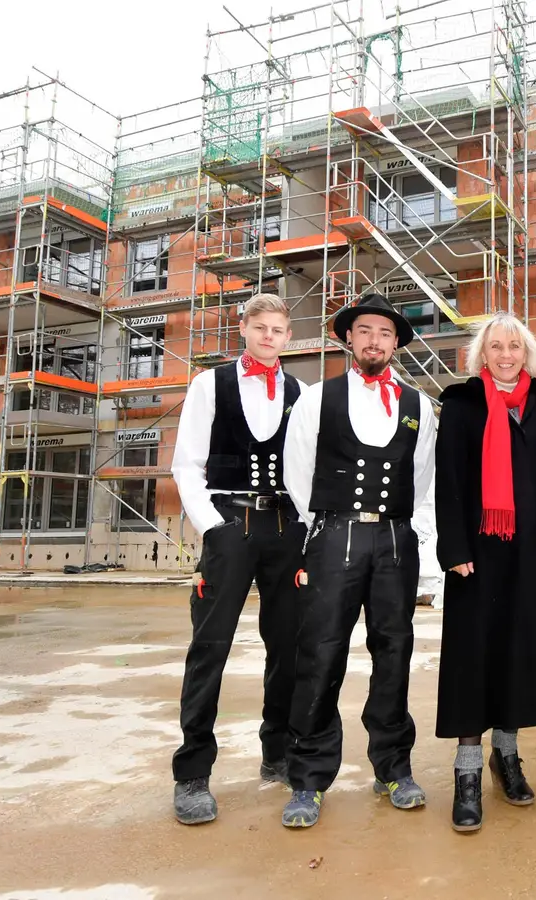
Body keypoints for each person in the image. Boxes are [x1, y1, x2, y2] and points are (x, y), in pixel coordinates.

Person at [278, 293, 437, 829]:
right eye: (365, 331)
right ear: (349, 339)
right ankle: (308, 778)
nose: (374, 341)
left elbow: (424, 483)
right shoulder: (317, 398)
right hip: (336, 536)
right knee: (320, 655)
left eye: (385, 333)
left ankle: (393, 766)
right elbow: (296, 474)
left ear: (396, 343)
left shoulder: (419, 406)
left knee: (393, 655)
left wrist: (422, 547)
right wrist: (324, 530)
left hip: (395, 539)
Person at [433, 312, 536, 832]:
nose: (506, 354)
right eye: (495, 346)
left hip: (530, 550)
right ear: (481, 354)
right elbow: (446, 481)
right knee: (474, 656)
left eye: (514, 346)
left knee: (519, 651)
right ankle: (467, 771)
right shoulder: (461, 403)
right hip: (476, 551)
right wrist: (452, 546)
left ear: (528, 352)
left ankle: (507, 757)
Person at [169, 293, 309, 825]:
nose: (269, 336)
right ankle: (192, 773)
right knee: (210, 647)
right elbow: (188, 466)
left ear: (288, 337)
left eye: (278, 329)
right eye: (261, 327)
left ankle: (279, 753)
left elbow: (307, 467)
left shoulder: (301, 393)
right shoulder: (210, 384)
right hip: (230, 525)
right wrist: (214, 530)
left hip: (286, 529)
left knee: (290, 648)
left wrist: (307, 528)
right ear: (244, 329)